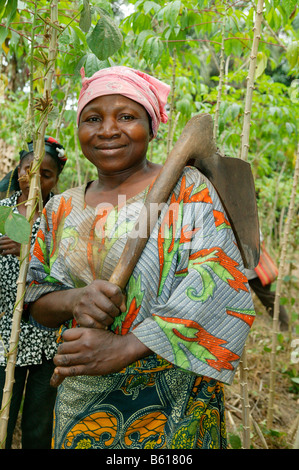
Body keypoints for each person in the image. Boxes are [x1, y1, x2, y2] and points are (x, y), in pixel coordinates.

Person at [25, 66, 255, 450]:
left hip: (175, 398)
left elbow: (219, 283)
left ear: (152, 127)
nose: (108, 130)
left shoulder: (188, 190)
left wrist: (126, 347)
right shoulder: (60, 209)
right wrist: (74, 299)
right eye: (93, 118)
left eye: (127, 117)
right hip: (84, 399)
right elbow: (34, 299)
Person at [0, 136, 67, 449]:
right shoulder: (2, 211)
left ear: (56, 179)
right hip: (4, 335)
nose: (35, 180)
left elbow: (75, 272)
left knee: (40, 423)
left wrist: (29, 249)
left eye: (46, 174)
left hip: (47, 337)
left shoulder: (64, 217)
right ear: (18, 170)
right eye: (29, 169)